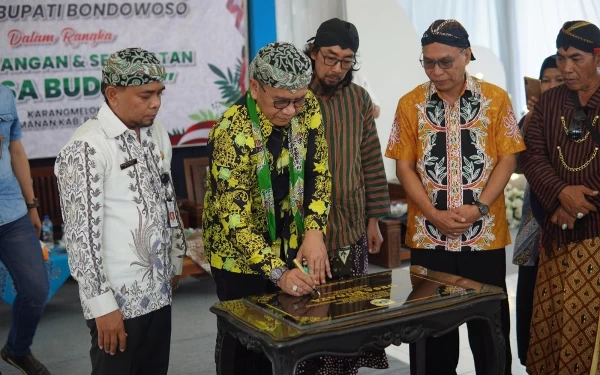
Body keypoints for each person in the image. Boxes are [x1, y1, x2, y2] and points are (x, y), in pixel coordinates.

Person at [385, 19, 525, 375]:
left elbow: (508, 157)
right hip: (429, 237)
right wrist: (433, 214)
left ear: (466, 55)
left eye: (445, 61)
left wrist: (479, 208)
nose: (436, 70)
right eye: (428, 62)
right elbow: (405, 168)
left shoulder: (496, 99)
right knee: (432, 334)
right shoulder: (409, 103)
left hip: (484, 236)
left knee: (489, 331)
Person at [55, 47, 187, 375]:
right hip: (117, 300)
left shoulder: (156, 132)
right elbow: (80, 238)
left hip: (159, 288)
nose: (155, 103)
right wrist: (102, 306)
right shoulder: (86, 147)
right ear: (113, 94)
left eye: (159, 93)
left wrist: (175, 260)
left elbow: (166, 198)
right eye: (145, 95)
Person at [202, 41, 331, 375]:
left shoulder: (310, 107)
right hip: (238, 257)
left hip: (291, 241)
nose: (291, 111)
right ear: (255, 88)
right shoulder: (231, 131)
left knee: (292, 339)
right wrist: (278, 273)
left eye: (298, 101)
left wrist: (315, 231)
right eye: (281, 102)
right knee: (245, 346)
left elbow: (319, 171)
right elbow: (236, 219)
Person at [296, 18, 392, 375]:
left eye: (347, 61)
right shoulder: (293, 98)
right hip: (304, 232)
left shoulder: (359, 99)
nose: (337, 69)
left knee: (350, 320)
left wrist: (374, 220)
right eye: (330, 58)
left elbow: (371, 160)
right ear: (312, 52)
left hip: (351, 226)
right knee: (308, 318)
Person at [521, 21, 600, 374]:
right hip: (555, 233)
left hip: (596, 232)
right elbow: (531, 156)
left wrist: (579, 207)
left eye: (576, 58)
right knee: (552, 334)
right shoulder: (549, 102)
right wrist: (559, 196)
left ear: (598, 57)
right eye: (561, 57)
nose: (566, 68)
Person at [511, 54, 563, 367]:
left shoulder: (582, 118)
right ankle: (532, 360)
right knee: (530, 299)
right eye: (546, 80)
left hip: (571, 228)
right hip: (534, 230)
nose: (552, 86)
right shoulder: (531, 119)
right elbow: (516, 164)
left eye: (559, 80)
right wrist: (532, 117)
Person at [0, 86, 51, 375]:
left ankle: (17, 350)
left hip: (11, 209)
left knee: (36, 289)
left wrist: (31, 204)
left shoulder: (5, 95)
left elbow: (15, 149)